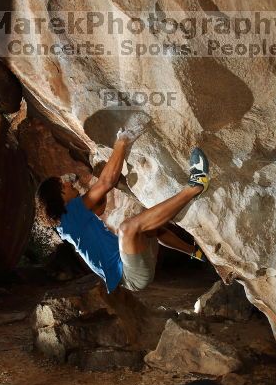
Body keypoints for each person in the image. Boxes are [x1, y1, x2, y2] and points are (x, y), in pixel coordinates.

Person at [36, 119, 210, 293]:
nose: (68, 183)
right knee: (127, 229)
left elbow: (100, 207)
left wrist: (79, 183)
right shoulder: (70, 217)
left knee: (151, 227)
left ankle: (194, 252)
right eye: (63, 184)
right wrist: (122, 141)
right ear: (59, 195)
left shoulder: (69, 223)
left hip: (133, 263)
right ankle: (196, 186)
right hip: (130, 274)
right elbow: (107, 181)